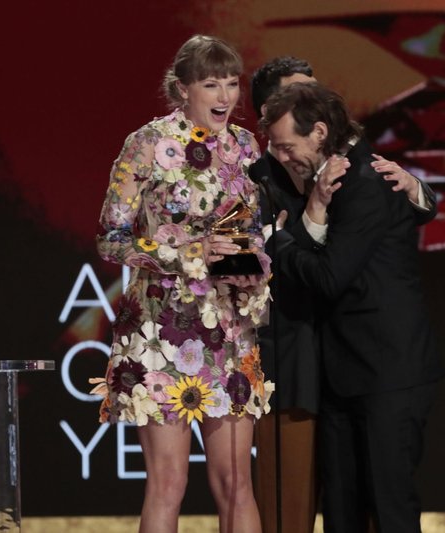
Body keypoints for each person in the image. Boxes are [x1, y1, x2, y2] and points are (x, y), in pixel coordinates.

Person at [92, 35, 273, 533]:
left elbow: (254, 230)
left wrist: (250, 261)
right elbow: (111, 239)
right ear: (182, 89)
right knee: (168, 482)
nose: (225, 97)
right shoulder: (147, 144)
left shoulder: (245, 145)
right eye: (211, 84)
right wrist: (186, 254)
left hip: (229, 330)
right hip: (160, 328)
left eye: (232, 84)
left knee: (237, 482)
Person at [249, 56, 437, 533]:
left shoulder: (365, 179)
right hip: (338, 373)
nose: (283, 156)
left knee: (388, 510)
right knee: (343, 514)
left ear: (317, 132)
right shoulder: (305, 176)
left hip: (385, 372)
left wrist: (277, 241)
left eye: (289, 146)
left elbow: (332, 276)